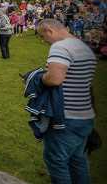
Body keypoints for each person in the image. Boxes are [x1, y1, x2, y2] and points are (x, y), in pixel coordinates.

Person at [37, 19, 97, 184]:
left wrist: (40, 77)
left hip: (65, 117)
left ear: (50, 30)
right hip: (85, 115)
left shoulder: (60, 47)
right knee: (78, 161)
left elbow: (55, 79)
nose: (44, 41)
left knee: (57, 161)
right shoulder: (83, 47)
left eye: (43, 36)